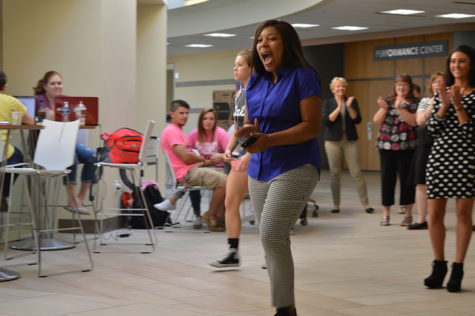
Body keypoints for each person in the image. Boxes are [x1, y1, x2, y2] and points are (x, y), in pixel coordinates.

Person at [236, 20, 322, 316]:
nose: (263, 45)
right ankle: (287, 307)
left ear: (286, 44)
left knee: (272, 234)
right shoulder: (255, 81)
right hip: (259, 166)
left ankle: (284, 310)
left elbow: (311, 127)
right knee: (269, 241)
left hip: (297, 164)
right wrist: (245, 131)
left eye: (271, 39)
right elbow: (253, 121)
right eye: (260, 40)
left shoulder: (304, 76)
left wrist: (269, 140)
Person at [424, 45, 474, 293]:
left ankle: (458, 267)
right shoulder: (441, 93)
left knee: (464, 215)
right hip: (440, 158)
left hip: (466, 158)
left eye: (462, 61)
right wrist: (444, 104)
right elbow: (431, 130)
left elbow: (471, 133)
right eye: (453, 61)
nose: (456, 65)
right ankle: (439, 265)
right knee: (434, 216)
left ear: (471, 64)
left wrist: (458, 105)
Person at [209, 49, 252, 268]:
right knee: (230, 202)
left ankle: (274, 253)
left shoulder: (259, 94)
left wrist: (252, 154)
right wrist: (229, 148)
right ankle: (233, 253)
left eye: (240, 65)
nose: (235, 68)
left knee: (264, 207)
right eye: (234, 64)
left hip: (261, 154)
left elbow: (262, 128)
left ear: (252, 68)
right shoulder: (238, 95)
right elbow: (237, 127)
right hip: (242, 155)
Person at [33, 71, 96, 214]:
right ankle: (72, 198)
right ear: (45, 86)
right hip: (43, 146)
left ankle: (80, 197)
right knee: (71, 156)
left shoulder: (67, 100)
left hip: (65, 143)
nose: (57, 86)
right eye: (53, 83)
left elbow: (88, 118)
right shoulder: (38, 101)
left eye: (59, 83)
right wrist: (44, 117)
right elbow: (33, 122)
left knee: (93, 155)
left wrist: (79, 116)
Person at [160, 100, 227, 232]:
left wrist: (203, 160)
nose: (184, 116)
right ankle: (210, 215)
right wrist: (202, 158)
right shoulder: (172, 131)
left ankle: (218, 217)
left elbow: (190, 154)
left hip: (195, 168)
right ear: (172, 114)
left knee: (233, 178)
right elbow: (186, 156)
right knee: (226, 181)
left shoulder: (180, 132)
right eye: (181, 113)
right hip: (187, 173)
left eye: (186, 113)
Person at [322, 77, 374, 214]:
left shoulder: (352, 101)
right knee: (335, 174)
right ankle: (336, 205)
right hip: (332, 142)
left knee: (357, 173)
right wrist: (339, 107)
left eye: (343, 87)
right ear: (333, 89)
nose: (341, 89)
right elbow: (327, 121)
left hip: (350, 141)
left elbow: (357, 120)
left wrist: (349, 106)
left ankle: (366, 204)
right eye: (338, 87)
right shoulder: (328, 103)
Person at [372, 73, 418, 227]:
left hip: (407, 148)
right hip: (386, 147)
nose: (401, 87)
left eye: (404, 84)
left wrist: (400, 108)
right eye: (399, 84)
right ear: (395, 87)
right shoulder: (388, 101)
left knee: (407, 181)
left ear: (410, 87)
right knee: (387, 180)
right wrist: (384, 109)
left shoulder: (414, 102)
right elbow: (377, 121)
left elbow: (413, 122)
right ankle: (386, 215)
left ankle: (408, 214)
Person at [407, 71, 444, 230]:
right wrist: (433, 105)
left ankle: (438, 220)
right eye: (435, 82)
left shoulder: (451, 101)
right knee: (421, 183)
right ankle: (422, 220)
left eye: (441, 82)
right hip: (425, 144)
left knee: (442, 184)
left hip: (443, 145)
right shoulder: (424, 101)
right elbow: (419, 121)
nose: (438, 85)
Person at [187, 108, 229, 228]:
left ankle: (215, 214)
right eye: (205, 119)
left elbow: (231, 152)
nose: (208, 121)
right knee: (192, 179)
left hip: (219, 168)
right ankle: (198, 214)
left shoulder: (220, 133)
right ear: (200, 120)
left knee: (228, 181)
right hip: (201, 167)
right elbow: (187, 152)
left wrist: (221, 156)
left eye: (211, 119)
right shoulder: (194, 134)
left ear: (215, 121)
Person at [0, 71, 35, 211]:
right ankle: (3, 194)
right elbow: (31, 121)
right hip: (2, 155)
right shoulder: (10, 101)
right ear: (5, 86)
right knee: (17, 155)